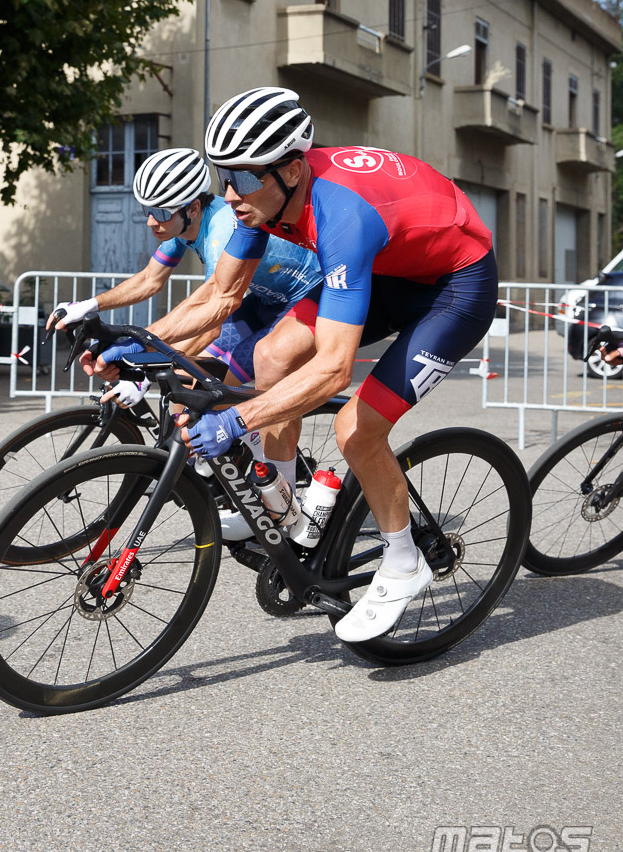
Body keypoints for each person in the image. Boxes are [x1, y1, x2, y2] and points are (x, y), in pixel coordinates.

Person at [138, 87, 498, 643]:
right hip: (393, 270)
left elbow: (333, 369)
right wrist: (135, 342)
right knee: (270, 354)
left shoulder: (340, 213)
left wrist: (239, 420)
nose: (230, 193)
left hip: (456, 286)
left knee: (355, 428)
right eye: (222, 177)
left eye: (243, 177)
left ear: (291, 169)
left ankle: (403, 561)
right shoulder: (263, 198)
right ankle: (285, 508)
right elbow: (220, 298)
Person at [47, 145, 324, 539]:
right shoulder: (181, 228)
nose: (151, 221)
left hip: (302, 297)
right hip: (262, 300)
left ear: (192, 207)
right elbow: (148, 280)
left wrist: (141, 368)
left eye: (161, 213)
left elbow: (212, 316)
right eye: (148, 210)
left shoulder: (222, 232)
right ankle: (226, 463)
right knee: (187, 380)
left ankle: (274, 505)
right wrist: (89, 304)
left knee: (268, 374)